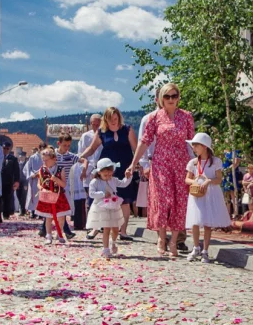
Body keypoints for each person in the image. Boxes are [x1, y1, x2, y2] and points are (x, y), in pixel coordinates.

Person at [131, 83, 195, 258]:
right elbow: (144, 141)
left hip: (181, 164)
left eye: (174, 96)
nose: (171, 100)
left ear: (179, 97)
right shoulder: (154, 117)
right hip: (161, 164)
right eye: (167, 97)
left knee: (179, 202)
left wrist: (196, 166)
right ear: (161, 99)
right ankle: (161, 238)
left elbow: (192, 144)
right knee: (162, 201)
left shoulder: (187, 117)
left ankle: (174, 241)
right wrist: (134, 163)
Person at [80, 107, 138, 239]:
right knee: (102, 197)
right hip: (105, 168)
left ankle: (123, 231)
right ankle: (96, 228)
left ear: (119, 118)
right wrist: (81, 156)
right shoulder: (102, 131)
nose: (113, 121)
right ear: (105, 119)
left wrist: (135, 165)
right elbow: (92, 148)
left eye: (115, 119)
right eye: (110, 119)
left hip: (124, 168)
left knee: (124, 199)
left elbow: (136, 148)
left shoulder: (127, 129)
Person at [184, 132, 232, 263]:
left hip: (210, 193)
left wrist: (208, 181)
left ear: (204, 146)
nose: (193, 148)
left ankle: (205, 250)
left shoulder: (215, 162)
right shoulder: (193, 163)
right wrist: (194, 182)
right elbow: (187, 179)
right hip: (196, 193)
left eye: (196, 146)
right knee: (195, 221)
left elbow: (219, 179)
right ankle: (195, 247)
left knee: (207, 222)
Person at [87, 157, 134, 258]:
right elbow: (91, 194)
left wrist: (128, 177)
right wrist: (103, 193)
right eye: (105, 175)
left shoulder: (113, 180)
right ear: (99, 172)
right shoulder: (95, 182)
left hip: (113, 206)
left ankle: (113, 242)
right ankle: (105, 249)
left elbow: (123, 184)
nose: (108, 176)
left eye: (110, 174)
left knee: (116, 228)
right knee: (106, 228)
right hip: (101, 207)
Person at [32, 148, 71, 244]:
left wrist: (56, 180)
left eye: (46, 160)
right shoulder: (42, 169)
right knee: (48, 217)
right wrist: (42, 189)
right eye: (43, 160)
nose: (44, 162)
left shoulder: (61, 169)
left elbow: (64, 184)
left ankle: (59, 233)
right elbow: (39, 183)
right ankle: (48, 235)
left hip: (59, 196)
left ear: (54, 159)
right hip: (47, 196)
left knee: (61, 217)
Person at [22, 144, 45, 218]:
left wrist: (40, 173)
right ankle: (33, 212)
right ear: (39, 148)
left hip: (42, 179)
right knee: (33, 196)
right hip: (33, 179)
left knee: (41, 196)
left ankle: (41, 213)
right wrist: (31, 175)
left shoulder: (45, 157)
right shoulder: (33, 157)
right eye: (42, 148)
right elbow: (28, 168)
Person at [0, 141, 20, 219]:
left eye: (7, 148)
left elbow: (16, 171)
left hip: (8, 182)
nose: (5, 150)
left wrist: (16, 181)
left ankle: (6, 214)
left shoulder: (13, 159)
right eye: (4, 148)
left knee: (7, 199)